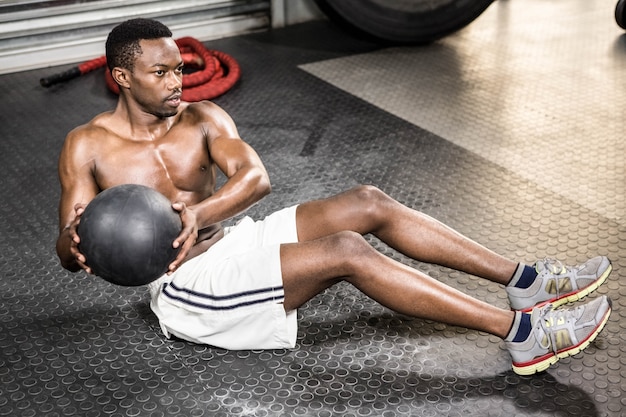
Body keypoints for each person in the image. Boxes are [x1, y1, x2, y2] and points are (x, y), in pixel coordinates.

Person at [56, 18, 612, 376]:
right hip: (188, 283)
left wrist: (199, 211)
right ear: (122, 77)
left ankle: (525, 282)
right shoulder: (88, 145)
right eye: (161, 73)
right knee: (347, 249)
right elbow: (68, 244)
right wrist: (75, 246)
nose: (177, 82)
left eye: (180, 68)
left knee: (368, 200)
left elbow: (255, 178)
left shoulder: (201, 117)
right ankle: (521, 334)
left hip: (233, 239)